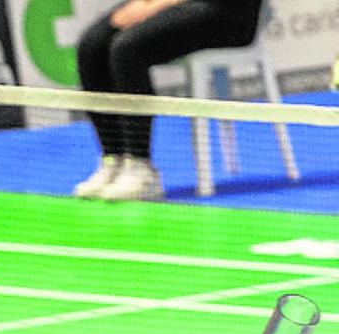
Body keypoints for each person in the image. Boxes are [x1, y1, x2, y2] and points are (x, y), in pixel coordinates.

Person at [73, 0, 264, 201]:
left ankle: (141, 168)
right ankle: (114, 158)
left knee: (127, 49)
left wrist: (155, 6)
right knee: (91, 46)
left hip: (229, 13)